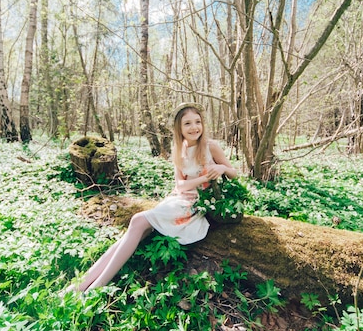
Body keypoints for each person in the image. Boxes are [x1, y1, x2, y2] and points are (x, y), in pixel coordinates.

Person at [65, 102, 237, 292]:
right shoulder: (178, 150)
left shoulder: (210, 146)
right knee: (133, 233)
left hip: (199, 204)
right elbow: (179, 184)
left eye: (197, 122)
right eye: (187, 123)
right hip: (181, 198)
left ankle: (95, 286)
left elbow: (233, 173)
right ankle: (81, 284)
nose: (194, 127)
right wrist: (204, 178)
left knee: (138, 220)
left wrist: (221, 168)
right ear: (179, 128)